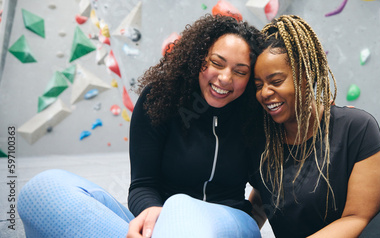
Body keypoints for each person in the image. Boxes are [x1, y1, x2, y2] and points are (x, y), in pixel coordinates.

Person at [18, 14, 263, 238]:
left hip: (230, 223)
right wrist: (150, 213)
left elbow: (274, 189)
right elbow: (142, 185)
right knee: (43, 190)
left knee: (180, 206)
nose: (225, 78)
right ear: (198, 58)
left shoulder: (255, 116)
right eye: (217, 63)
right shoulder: (161, 98)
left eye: (240, 72)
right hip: (160, 224)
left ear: (251, 78)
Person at [249, 15, 380, 238]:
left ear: (306, 76)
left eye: (276, 81)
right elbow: (265, 196)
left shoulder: (356, 127)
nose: (265, 92)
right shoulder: (262, 141)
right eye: (258, 85)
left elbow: (358, 216)